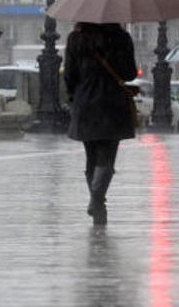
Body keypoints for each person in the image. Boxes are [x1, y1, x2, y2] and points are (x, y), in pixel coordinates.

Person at [64, 22, 137, 226]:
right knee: (107, 158)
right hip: (113, 103)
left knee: (91, 157)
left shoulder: (76, 39)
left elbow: (69, 75)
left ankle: (98, 206)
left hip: (85, 102)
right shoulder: (121, 38)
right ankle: (97, 201)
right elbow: (130, 73)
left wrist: (74, 97)